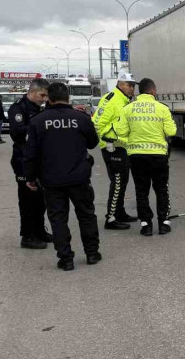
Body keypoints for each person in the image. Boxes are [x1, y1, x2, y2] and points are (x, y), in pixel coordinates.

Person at [23, 83, 101, 271]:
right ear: (68, 98)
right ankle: (91, 253)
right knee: (86, 215)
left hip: (52, 179)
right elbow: (93, 143)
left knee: (58, 219)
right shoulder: (81, 118)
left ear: (49, 99)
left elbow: (30, 153)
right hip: (79, 178)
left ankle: (65, 259)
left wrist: (30, 177)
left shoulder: (38, 121)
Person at [114, 78, 176, 236]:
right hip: (158, 156)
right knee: (162, 189)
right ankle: (163, 224)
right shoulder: (162, 108)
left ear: (138, 91)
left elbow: (120, 132)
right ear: (153, 91)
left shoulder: (128, 108)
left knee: (141, 191)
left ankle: (146, 225)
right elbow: (171, 131)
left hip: (137, 156)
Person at [8, 78, 51, 249]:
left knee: (40, 200)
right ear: (32, 92)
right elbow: (17, 134)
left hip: (39, 160)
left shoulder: (39, 109)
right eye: (42, 95)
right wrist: (39, 129)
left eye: (46, 96)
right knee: (27, 201)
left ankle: (39, 230)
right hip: (23, 161)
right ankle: (27, 236)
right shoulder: (18, 108)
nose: (44, 98)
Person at [92, 72, 138, 230]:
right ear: (120, 83)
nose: (132, 88)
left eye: (133, 85)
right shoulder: (111, 99)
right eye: (129, 84)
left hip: (122, 146)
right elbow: (96, 123)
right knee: (118, 182)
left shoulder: (124, 99)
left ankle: (120, 212)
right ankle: (110, 219)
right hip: (112, 147)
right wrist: (107, 141)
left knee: (122, 182)